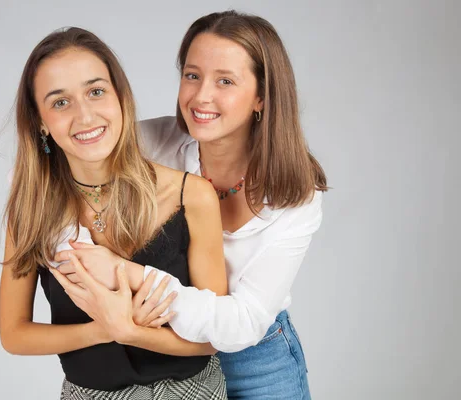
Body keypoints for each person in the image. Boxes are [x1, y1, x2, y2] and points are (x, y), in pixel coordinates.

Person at [51, 11, 328, 400]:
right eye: (192, 75)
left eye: (225, 81)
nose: (201, 96)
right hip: (170, 358)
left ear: (262, 96)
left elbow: (243, 323)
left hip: (257, 360)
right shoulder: (149, 143)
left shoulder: (299, 195)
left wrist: (127, 279)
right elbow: (56, 174)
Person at [0, 27, 230, 399]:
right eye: (60, 102)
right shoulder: (31, 209)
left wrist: (132, 331)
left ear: (120, 96)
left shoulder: (191, 196)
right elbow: (14, 334)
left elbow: (213, 339)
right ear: (40, 120)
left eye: (95, 91)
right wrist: (104, 328)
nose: (85, 115)